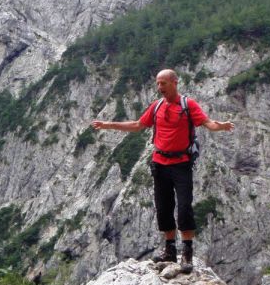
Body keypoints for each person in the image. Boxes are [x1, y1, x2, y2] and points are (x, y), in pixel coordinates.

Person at [91, 69, 234, 273]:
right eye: (158, 84)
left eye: (163, 83)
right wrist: (108, 124)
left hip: (182, 163)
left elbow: (207, 123)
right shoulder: (156, 106)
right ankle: (169, 250)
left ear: (175, 83)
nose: (160, 88)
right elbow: (138, 124)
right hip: (160, 163)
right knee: (163, 208)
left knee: (184, 207)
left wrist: (219, 127)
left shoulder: (188, 105)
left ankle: (186, 253)